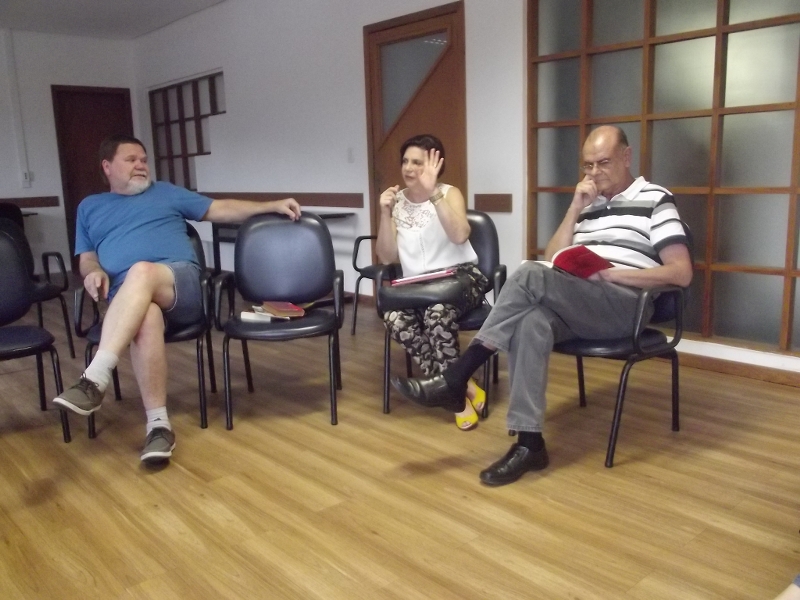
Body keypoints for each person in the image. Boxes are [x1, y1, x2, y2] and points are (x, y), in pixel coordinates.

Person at [392, 125, 693, 485]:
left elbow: (681, 273)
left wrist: (614, 275)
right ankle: (529, 444)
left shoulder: (656, 198)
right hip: (581, 300)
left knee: (530, 273)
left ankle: (456, 377)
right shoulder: (589, 204)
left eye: (603, 163)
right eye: (587, 165)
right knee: (531, 320)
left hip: (626, 306)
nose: (594, 173)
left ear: (627, 157)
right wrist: (575, 208)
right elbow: (554, 257)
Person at [53, 134, 301, 464]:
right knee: (147, 317)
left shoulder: (166, 192)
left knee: (141, 271)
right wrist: (92, 271)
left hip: (179, 286)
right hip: (129, 300)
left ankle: (95, 377)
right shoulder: (89, 207)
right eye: (131, 160)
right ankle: (159, 426)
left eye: (144, 160)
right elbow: (86, 257)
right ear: (107, 166)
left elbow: (219, 208)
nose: (141, 165)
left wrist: (270, 205)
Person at [376, 134, 488, 430]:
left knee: (437, 315)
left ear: (435, 165)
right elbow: (386, 256)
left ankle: (455, 399)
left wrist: (433, 194)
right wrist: (385, 213)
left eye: (417, 162)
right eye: (405, 161)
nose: (409, 168)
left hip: (460, 280)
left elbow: (460, 235)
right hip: (418, 288)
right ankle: (461, 386)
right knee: (395, 320)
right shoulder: (397, 201)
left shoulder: (449, 193)